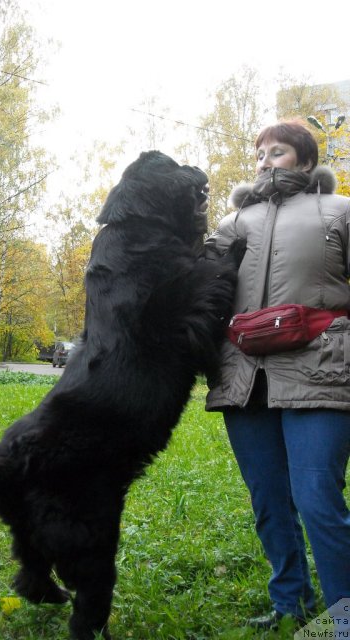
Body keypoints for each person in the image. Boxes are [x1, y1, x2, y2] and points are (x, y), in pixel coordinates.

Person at [204, 119, 350, 629]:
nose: (265, 159)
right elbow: (199, 281)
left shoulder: (339, 211)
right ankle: (293, 603)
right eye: (260, 152)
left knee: (317, 499)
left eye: (279, 151)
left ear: (306, 162)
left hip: (321, 369)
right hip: (246, 379)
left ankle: (342, 620)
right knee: (268, 499)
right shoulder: (235, 220)